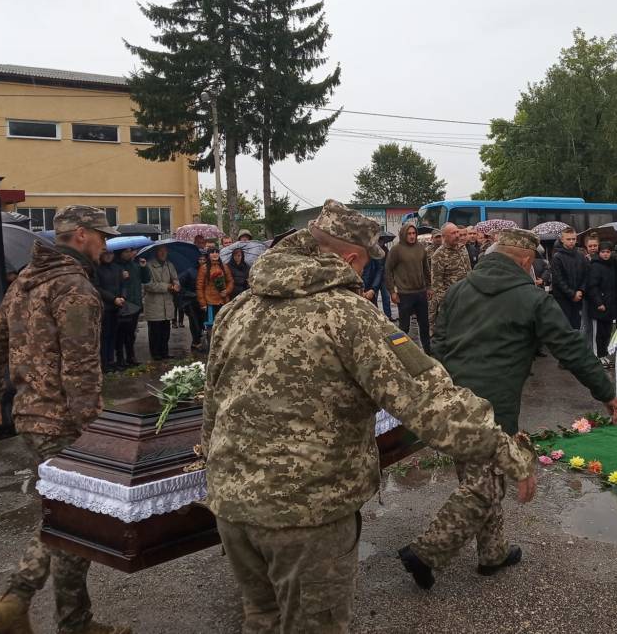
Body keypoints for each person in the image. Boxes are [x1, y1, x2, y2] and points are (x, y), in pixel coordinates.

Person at [202, 200, 535, 633]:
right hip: (308, 515)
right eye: (363, 266)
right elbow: (428, 400)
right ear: (351, 258)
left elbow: (212, 403)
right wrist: (507, 451)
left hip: (233, 507)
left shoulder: (238, 308)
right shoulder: (347, 315)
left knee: (262, 620)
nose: (361, 277)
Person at [400, 229, 617, 587]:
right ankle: (427, 552)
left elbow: (437, 341)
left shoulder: (458, 290)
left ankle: (493, 553)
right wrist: (606, 391)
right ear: (524, 261)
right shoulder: (532, 299)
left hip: (453, 399)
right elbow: (570, 348)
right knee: (488, 486)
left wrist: (441, 389)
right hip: (494, 408)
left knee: (480, 477)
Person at [0, 206, 130, 634]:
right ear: (81, 235)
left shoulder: (25, 281)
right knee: (74, 523)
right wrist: (97, 437)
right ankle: (39, 609)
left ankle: (36, 609)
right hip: (62, 424)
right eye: (101, 236)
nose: (105, 244)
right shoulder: (74, 288)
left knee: (65, 516)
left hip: (29, 419)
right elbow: (81, 372)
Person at [386, 223, 433, 353]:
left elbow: (426, 269)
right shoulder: (396, 250)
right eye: (409, 234)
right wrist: (392, 291)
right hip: (404, 293)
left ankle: (428, 352)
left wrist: (429, 286)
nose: (412, 236)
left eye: (414, 233)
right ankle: (402, 353)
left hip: (421, 292)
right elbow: (388, 270)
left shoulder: (421, 248)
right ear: (404, 234)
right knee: (404, 327)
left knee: (424, 325)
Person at [429, 222, 470, 331]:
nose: (457, 235)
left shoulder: (462, 248)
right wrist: (446, 304)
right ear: (444, 237)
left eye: (457, 232)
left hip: (466, 297)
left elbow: (469, 271)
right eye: (453, 233)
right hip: (452, 301)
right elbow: (437, 284)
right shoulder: (439, 255)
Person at [114, 248, 148, 368]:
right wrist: (120, 276)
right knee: (121, 333)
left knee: (131, 333)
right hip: (124, 304)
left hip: (135, 304)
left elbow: (146, 280)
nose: (130, 253)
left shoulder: (135, 265)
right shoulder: (116, 266)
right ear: (120, 253)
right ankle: (120, 358)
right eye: (126, 251)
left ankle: (131, 356)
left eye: (131, 251)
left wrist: (144, 268)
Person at [143, 245, 178, 360]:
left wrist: (177, 285)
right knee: (155, 332)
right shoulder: (148, 266)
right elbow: (148, 285)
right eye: (160, 251)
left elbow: (175, 279)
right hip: (154, 303)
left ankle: (164, 352)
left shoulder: (170, 265)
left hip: (167, 303)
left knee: (165, 331)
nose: (163, 253)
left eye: (165, 251)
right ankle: (155, 354)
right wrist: (167, 286)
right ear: (156, 253)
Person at [587, 241, 617, 366]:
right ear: (599, 253)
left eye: (608, 252)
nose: (605, 254)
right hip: (598, 306)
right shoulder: (595, 265)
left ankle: (603, 354)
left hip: (610, 305)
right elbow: (592, 286)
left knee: (606, 332)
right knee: (597, 334)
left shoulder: (612, 265)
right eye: (603, 252)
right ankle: (597, 356)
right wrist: (599, 302)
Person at [550, 226, 587, 330]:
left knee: (577, 327)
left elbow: (586, 275)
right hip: (563, 299)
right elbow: (558, 279)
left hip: (578, 297)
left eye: (573, 239)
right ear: (562, 240)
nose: (571, 241)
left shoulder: (581, 256)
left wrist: (581, 290)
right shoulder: (557, 257)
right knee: (564, 327)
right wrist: (572, 294)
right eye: (568, 239)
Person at [93, 250, 124, 372]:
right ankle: (104, 362)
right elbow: (97, 288)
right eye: (106, 254)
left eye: (110, 254)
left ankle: (111, 360)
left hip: (117, 306)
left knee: (113, 334)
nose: (108, 256)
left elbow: (122, 285)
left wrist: (122, 297)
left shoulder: (117, 268)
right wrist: (113, 299)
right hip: (105, 306)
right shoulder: (97, 269)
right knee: (104, 335)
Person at [197, 247, 234, 334]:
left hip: (223, 301)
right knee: (211, 328)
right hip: (210, 302)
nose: (214, 254)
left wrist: (227, 291)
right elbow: (199, 287)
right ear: (208, 255)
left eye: (216, 252)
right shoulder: (204, 268)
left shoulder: (224, 267)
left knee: (224, 326)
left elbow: (230, 281)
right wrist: (202, 303)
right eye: (212, 252)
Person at [177, 257, 205, 351]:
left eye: (204, 259)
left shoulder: (206, 271)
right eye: (200, 259)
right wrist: (189, 294)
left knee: (201, 321)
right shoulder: (190, 271)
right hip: (191, 301)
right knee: (194, 322)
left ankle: (197, 341)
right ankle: (196, 342)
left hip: (202, 300)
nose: (202, 261)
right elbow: (180, 284)